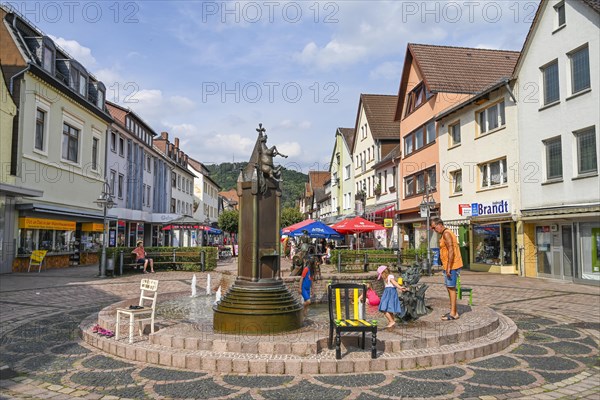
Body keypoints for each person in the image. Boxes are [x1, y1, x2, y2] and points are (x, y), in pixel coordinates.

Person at [430, 217, 463, 321]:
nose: (434, 230)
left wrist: (448, 268)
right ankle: (453, 310)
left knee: (451, 288)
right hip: (449, 265)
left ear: (440, 225)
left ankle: (454, 313)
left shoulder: (446, 233)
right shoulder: (445, 233)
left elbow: (451, 251)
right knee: (449, 288)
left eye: (434, 227)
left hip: (452, 266)